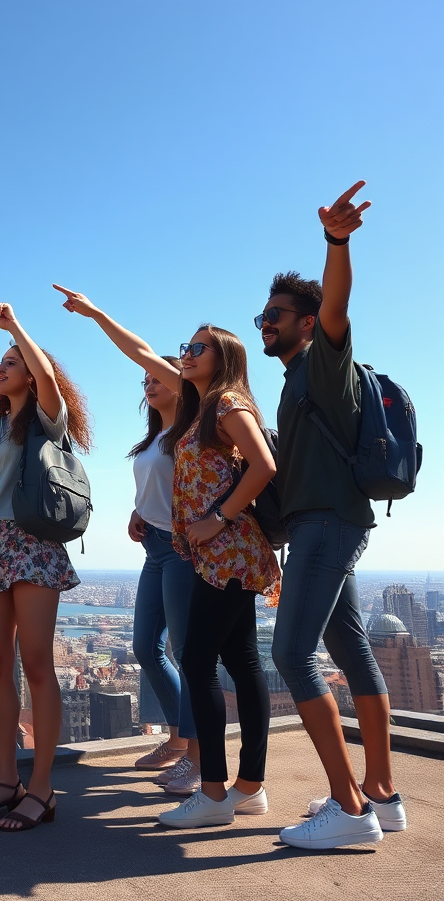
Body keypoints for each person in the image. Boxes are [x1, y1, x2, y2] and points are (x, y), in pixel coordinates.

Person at [54, 286, 278, 830]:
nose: (186, 353)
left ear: (222, 361)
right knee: (242, 664)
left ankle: (214, 791)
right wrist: (97, 313)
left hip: (226, 550)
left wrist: (216, 517)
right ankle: (247, 788)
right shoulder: (198, 411)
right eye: (187, 346)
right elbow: (142, 354)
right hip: (216, 553)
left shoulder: (224, 403)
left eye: (199, 348)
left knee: (200, 662)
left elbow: (263, 464)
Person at [262, 181, 401, 849]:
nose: (266, 323)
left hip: (328, 522)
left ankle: (349, 812)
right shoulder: (294, 380)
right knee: (349, 646)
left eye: (276, 315)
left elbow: (338, 306)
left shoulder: (323, 360)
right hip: (327, 521)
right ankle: (381, 791)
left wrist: (336, 242)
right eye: (262, 315)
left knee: (292, 652)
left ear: (306, 324)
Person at [0, 290, 92, 831]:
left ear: (31, 376)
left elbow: (50, 383)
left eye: (12, 365)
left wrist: (16, 332)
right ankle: (6, 779)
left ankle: (42, 788)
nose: (1, 367)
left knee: (36, 662)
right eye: (0, 363)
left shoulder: (45, 421)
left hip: (30, 543)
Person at [123, 362, 202, 795]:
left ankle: (194, 756)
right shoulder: (155, 437)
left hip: (180, 547)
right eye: (146, 381)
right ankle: (178, 739)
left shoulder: (191, 432)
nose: (150, 385)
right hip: (153, 546)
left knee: (190, 654)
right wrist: (138, 512)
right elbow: (158, 486)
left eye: (157, 378)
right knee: (144, 646)